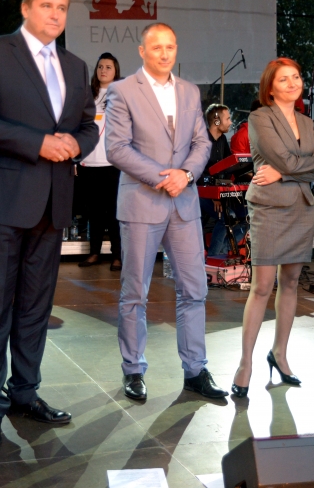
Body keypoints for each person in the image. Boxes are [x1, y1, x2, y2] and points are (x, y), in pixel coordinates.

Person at [0, 0, 98, 449]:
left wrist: (75, 144)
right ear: (25, 8)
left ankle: (25, 392)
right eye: (46, 5)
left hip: (53, 203)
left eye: (62, 7)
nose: (55, 15)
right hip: (4, 200)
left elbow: (88, 126)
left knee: (37, 306)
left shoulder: (76, 66)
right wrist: (38, 143)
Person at [105, 22, 227, 403]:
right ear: (142, 51)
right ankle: (133, 370)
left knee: (195, 289)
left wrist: (186, 174)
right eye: (156, 47)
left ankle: (195, 370)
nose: (164, 53)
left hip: (184, 203)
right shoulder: (122, 90)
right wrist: (165, 177)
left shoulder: (189, 91)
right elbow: (116, 148)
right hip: (143, 202)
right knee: (135, 293)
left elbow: (202, 143)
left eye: (170, 46)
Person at [231, 58, 314, 397]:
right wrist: (312, 161)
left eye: (296, 77)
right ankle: (245, 363)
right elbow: (297, 161)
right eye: (284, 79)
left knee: (290, 283)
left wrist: (287, 172)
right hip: (270, 207)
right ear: (270, 87)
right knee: (262, 287)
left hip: (301, 206)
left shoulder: (307, 122)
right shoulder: (260, 118)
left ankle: (280, 355)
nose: (292, 83)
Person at [77, 52, 123, 271]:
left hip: (112, 163)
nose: (103, 70)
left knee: (114, 212)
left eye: (108, 67)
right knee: (93, 212)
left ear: (116, 71)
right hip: (88, 163)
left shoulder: (120, 95)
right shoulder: (87, 95)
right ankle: (94, 252)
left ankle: (117, 256)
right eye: (100, 67)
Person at [198, 103, 245, 256]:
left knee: (247, 215)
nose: (231, 122)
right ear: (217, 121)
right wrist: (214, 196)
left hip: (219, 193)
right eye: (228, 118)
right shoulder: (202, 140)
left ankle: (222, 250)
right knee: (227, 216)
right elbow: (199, 172)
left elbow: (228, 166)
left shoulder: (223, 139)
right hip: (202, 193)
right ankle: (214, 257)